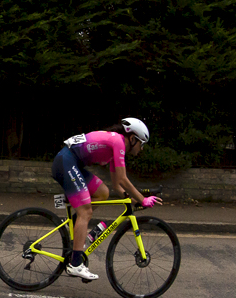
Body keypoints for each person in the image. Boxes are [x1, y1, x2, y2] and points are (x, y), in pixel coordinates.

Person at [52, 118, 160, 281]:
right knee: (86, 211)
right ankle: (75, 264)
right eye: (141, 143)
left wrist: (131, 200)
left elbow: (117, 186)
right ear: (132, 138)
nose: (141, 148)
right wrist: (142, 199)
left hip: (70, 162)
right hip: (65, 162)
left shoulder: (115, 146)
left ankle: (75, 224)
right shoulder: (118, 142)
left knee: (103, 192)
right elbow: (123, 179)